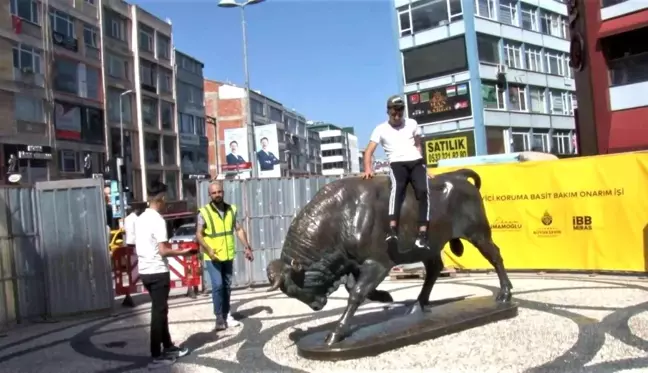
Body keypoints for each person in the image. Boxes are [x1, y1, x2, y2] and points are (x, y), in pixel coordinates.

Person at [362, 94, 431, 252]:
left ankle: (423, 235)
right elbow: (369, 151)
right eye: (394, 112)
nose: (398, 115)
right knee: (397, 188)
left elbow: (419, 146)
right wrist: (368, 169)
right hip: (397, 164)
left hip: (416, 162)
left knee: (423, 190)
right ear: (388, 112)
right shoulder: (380, 129)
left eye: (400, 111)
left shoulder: (412, 123)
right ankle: (392, 230)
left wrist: (426, 168)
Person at [135, 181, 193, 368]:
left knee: (161, 310)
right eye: (165, 198)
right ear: (160, 199)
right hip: (158, 271)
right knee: (158, 313)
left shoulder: (140, 218)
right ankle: (156, 354)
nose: (167, 201)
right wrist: (183, 253)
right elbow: (163, 250)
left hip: (144, 271)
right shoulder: (158, 220)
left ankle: (168, 346)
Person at [196, 181, 254, 331]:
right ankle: (219, 317)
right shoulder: (204, 212)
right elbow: (199, 234)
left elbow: (239, 230)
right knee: (218, 285)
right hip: (213, 256)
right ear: (209, 195)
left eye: (219, 192)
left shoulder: (231, 210)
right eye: (214, 193)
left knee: (227, 286)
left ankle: (227, 314)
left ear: (223, 192)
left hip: (227, 254)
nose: (217, 195)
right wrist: (208, 249)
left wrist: (247, 247)